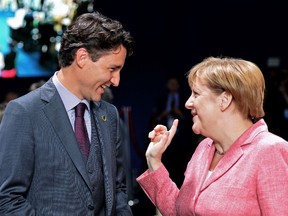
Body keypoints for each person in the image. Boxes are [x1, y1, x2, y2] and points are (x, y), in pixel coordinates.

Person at [0, 11, 134, 215]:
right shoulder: (24, 112)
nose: (116, 81)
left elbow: (118, 191)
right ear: (82, 58)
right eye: (112, 69)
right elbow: (8, 200)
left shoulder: (110, 115)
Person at [136, 56, 288, 215]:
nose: (188, 103)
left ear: (225, 99)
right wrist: (154, 160)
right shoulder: (204, 148)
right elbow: (181, 212)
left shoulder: (270, 151)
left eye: (196, 94)